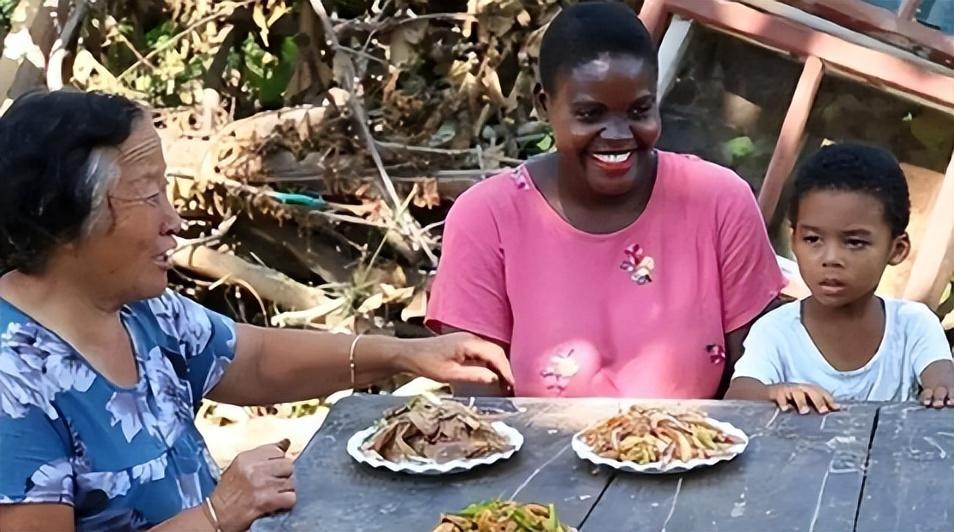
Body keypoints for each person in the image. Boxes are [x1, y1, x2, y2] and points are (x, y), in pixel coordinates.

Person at [0, 90, 513, 532]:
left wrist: (406, 355)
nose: (174, 220)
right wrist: (217, 515)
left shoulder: (142, 311)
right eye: (150, 195)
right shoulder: (12, 380)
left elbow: (256, 359)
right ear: (63, 217)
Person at [425, 1, 785, 398]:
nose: (617, 134)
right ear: (545, 104)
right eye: (589, 114)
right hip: (534, 458)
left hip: (699, 453)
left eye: (638, 110)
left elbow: (756, 387)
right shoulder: (486, 219)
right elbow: (481, 411)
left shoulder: (719, 202)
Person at [725, 143, 954, 413]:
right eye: (812, 239)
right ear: (794, 240)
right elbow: (737, 396)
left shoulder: (913, 326)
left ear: (897, 249)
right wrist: (774, 393)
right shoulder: (776, 331)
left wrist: (942, 392)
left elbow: (942, 381)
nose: (830, 258)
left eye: (854, 242)